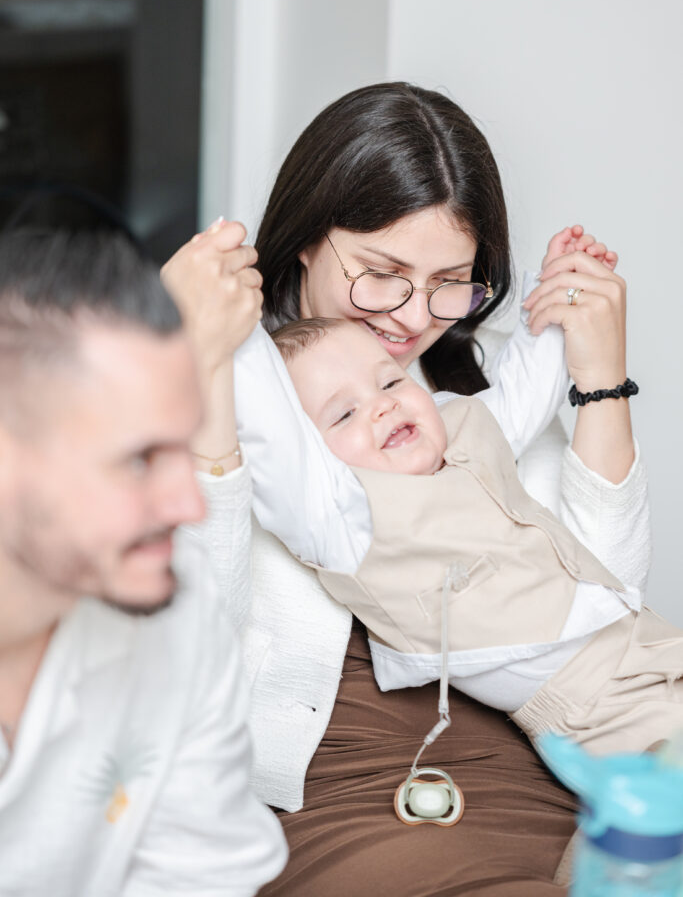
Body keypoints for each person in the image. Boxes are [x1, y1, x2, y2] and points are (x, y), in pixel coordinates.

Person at [162, 81, 649, 895]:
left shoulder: (472, 399)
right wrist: (203, 374)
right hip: (338, 796)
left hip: (543, 770)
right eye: (382, 273)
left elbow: (603, 603)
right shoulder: (228, 385)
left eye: (449, 281)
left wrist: (598, 382)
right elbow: (187, 643)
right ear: (310, 239)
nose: (411, 317)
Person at [235, 312, 676, 765]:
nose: (383, 405)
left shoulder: (460, 425)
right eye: (344, 413)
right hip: (595, 707)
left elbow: (525, 393)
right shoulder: (337, 515)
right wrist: (230, 327)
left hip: (653, 643)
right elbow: (268, 434)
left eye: (390, 383)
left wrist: (554, 299)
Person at [0, 224, 287, 896]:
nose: (189, 505)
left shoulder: (179, 608)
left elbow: (199, 878)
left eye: (183, 448)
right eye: (138, 460)